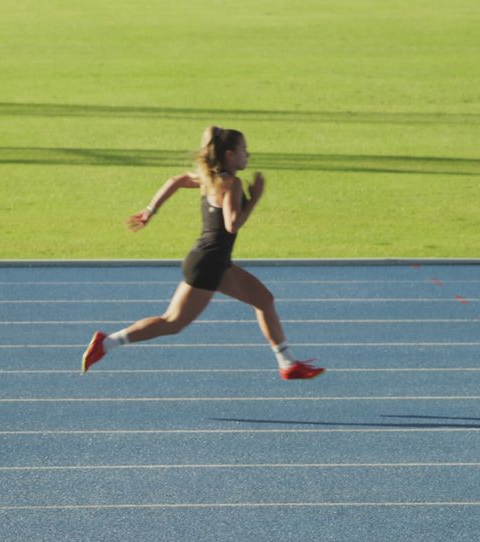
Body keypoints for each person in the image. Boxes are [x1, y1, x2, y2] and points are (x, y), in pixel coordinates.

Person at [81, 126, 325, 380]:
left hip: (211, 261)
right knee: (172, 323)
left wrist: (150, 210)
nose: (247, 156)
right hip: (209, 263)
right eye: (244, 151)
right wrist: (255, 199)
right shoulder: (231, 183)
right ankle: (106, 343)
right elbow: (232, 224)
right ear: (229, 154)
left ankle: (287, 364)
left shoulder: (209, 178)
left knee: (263, 300)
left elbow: (175, 181)